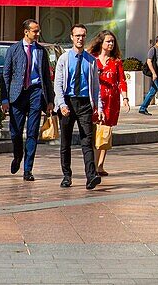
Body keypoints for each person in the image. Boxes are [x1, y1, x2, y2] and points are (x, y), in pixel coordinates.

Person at [1, 19, 55, 181]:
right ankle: (18, 156)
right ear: (26, 32)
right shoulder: (14, 50)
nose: (37, 34)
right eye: (35, 31)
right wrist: (5, 99)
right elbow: (6, 75)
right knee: (16, 132)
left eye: (38, 31)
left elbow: (46, 76)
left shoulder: (40, 51)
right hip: (17, 95)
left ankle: (28, 169)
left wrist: (50, 100)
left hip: (35, 93)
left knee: (32, 133)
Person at [53, 24, 102, 190]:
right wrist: (61, 104)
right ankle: (67, 176)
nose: (80, 39)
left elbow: (96, 86)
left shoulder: (91, 61)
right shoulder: (64, 59)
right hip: (67, 102)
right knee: (65, 142)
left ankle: (91, 176)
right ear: (72, 37)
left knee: (87, 141)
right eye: (77, 36)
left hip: (84, 103)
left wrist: (99, 107)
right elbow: (58, 84)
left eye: (82, 36)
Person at [90, 30, 129, 177]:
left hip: (111, 101)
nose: (111, 44)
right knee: (95, 131)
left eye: (113, 41)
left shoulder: (116, 61)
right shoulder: (92, 59)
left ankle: (100, 165)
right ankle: (92, 164)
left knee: (105, 132)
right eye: (108, 41)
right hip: (96, 99)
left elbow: (121, 81)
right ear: (101, 42)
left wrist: (125, 98)